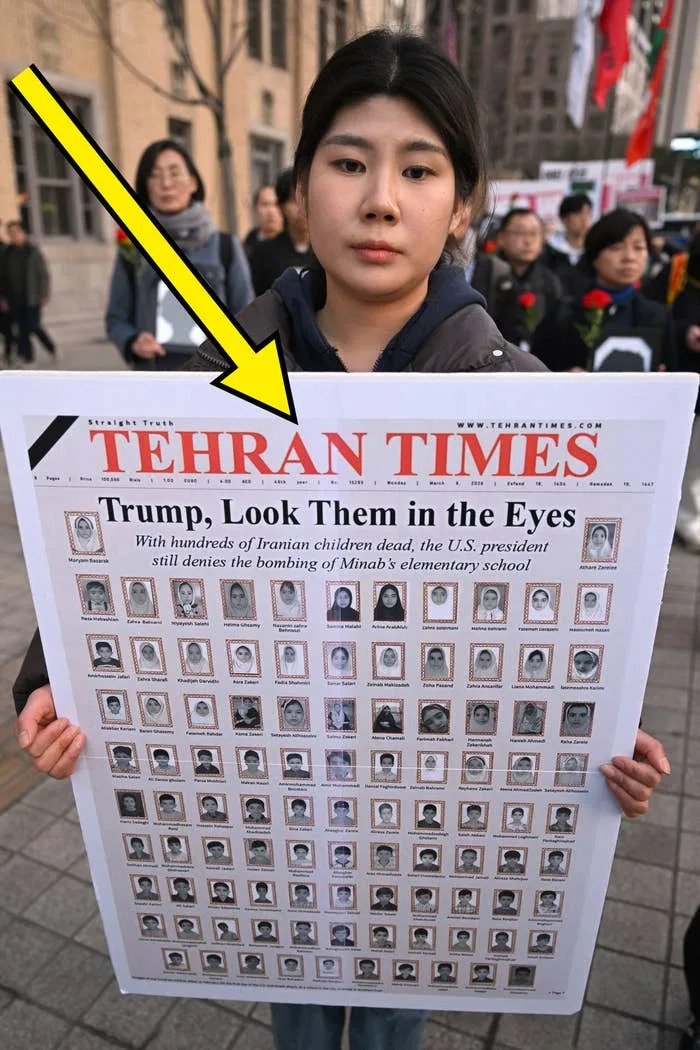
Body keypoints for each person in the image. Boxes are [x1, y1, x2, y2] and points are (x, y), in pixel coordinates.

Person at [12, 26, 671, 1050]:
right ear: (302, 186)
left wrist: (605, 732)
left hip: (426, 808)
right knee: (301, 1001)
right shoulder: (212, 385)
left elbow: (580, 613)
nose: (380, 200)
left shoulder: (529, 404)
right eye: (350, 162)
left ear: (461, 205)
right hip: (271, 797)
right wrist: (51, 685)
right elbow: (114, 535)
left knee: (395, 1009)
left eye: (419, 170)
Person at [105, 138, 252, 370]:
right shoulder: (132, 249)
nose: (166, 184)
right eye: (155, 175)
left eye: (174, 173)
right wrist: (133, 341)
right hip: (154, 375)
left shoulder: (225, 246)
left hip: (213, 376)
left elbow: (247, 316)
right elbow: (116, 318)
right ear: (145, 186)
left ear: (193, 182)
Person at [532, 209, 676, 373]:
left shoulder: (658, 316)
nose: (629, 257)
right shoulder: (564, 314)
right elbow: (535, 371)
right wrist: (564, 377)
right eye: (616, 248)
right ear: (594, 255)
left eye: (638, 247)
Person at [496, 208, 563, 348]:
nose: (528, 241)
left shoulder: (550, 280)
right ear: (501, 238)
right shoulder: (489, 274)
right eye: (520, 233)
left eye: (534, 233)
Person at [249, 167, 317, 296]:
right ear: (281, 206)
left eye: (308, 198)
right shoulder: (264, 253)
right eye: (294, 201)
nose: (302, 208)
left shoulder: (326, 252)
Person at [0, 220, 57, 367]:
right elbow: (2, 278)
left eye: (16, 232)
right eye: (10, 233)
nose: (13, 236)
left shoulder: (32, 251)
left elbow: (43, 274)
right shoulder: (7, 253)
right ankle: (28, 358)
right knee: (22, 328)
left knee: (33, 325)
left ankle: (51, 347)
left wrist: (44, 294)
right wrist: (3, 298)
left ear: (22, 233)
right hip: (14, 298)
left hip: (32, 297)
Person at [541, 193, 593, 296]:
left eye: (588, 214)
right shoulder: (549, 252)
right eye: (578, 214)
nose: (584, 219)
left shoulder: (595, 252)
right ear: (564, 219)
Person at [243, 184, 284, 261]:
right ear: (255, 209)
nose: (271, 211)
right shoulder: (247, 248)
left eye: (276, 204)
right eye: (265, 204)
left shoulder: (294, 243)